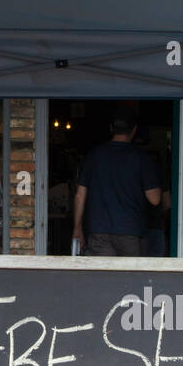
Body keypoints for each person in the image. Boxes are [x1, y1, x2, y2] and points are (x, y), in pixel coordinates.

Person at [73, 106, 162, 256]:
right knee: (129, 278)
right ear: (134, 130)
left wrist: (77, 227)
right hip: (131, 231)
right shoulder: (141, 158)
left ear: (111, 128)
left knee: (103, 278)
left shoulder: (94, 155)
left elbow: (80, 195)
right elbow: (155, 199)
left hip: (98, 231)